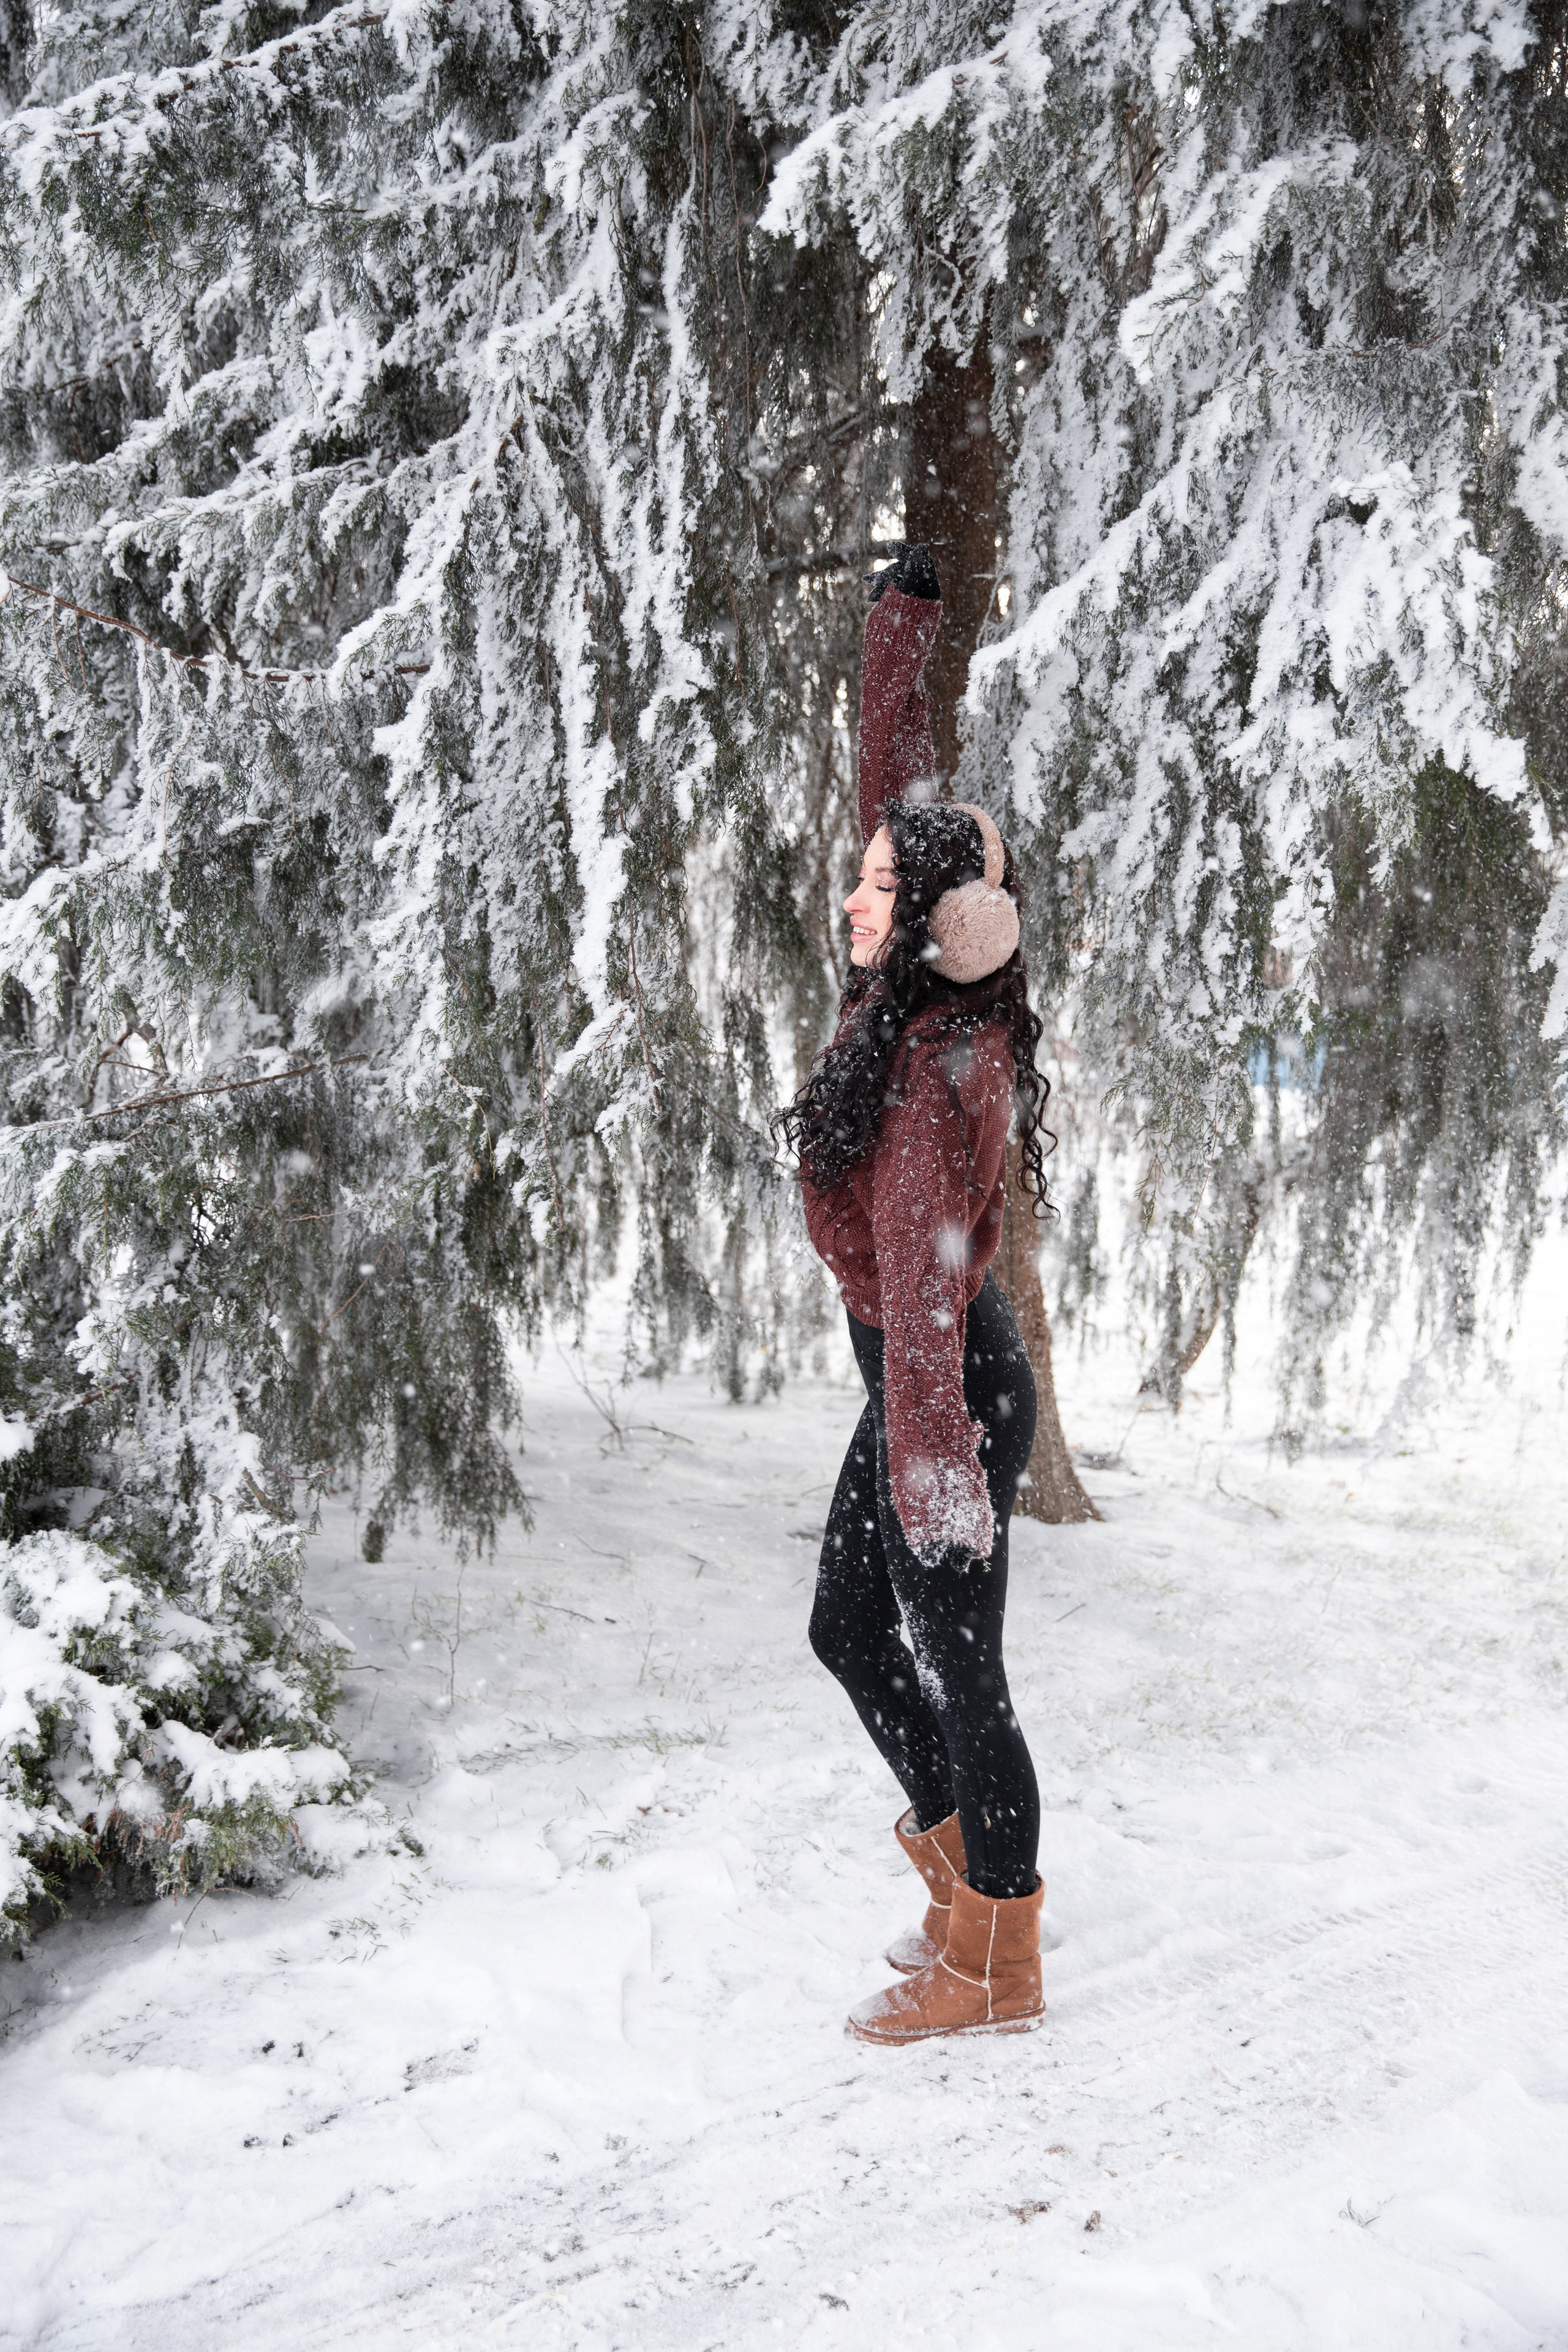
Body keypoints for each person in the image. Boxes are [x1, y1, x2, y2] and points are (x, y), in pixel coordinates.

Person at [774, 541, 1053, 2044]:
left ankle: (994, 1963)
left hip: (946, 1395)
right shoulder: (898, 1004)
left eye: (879, 885)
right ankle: (962, 1888)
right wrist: (900, 622)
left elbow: (933, 1309)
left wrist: (936, 1495)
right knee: (847, 1629)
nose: (854, 891)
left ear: (939, 920)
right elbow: (895, 782)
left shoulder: (936, 1077)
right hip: (915, 1382)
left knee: (961, 1665)